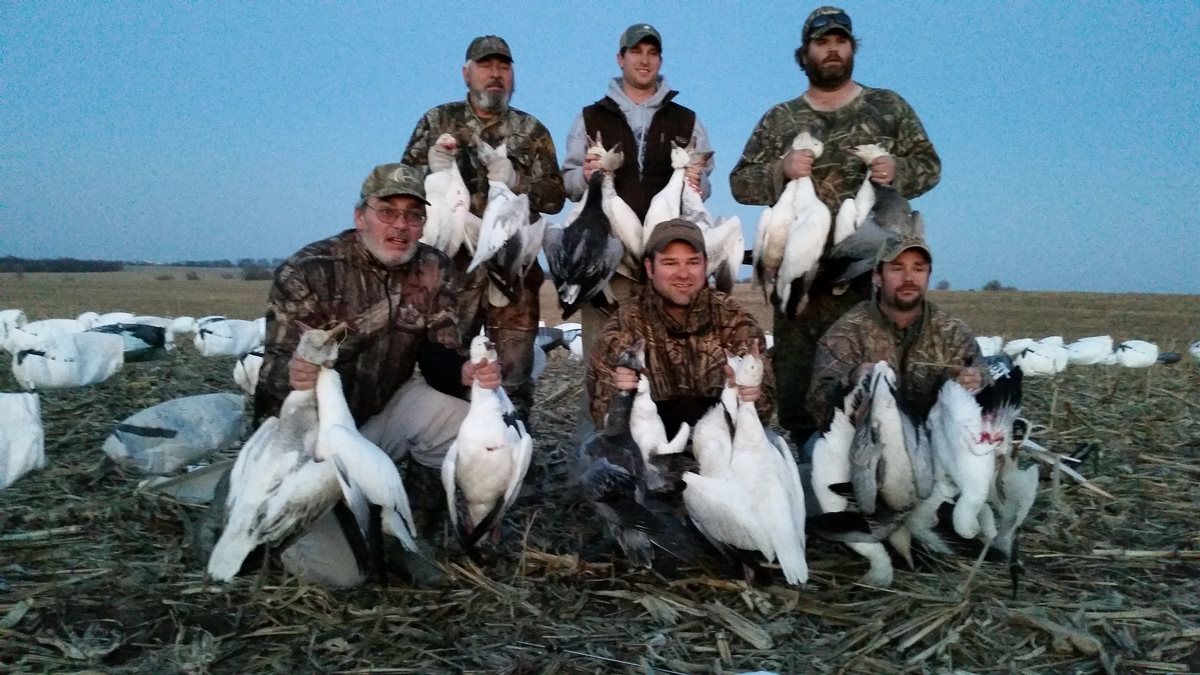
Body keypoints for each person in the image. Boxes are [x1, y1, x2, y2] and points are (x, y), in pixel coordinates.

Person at [250, 164, 502, 587]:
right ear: (359, 216)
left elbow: (437, 350)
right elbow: (275, 382)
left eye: (413, 214)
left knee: (470, 427)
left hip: (381, 411)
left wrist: (463, 370)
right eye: (387, 211)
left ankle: (410, 530)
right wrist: (297, 374)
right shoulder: (310, 270)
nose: (400, 225)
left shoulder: (432, 267)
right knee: (342, 576)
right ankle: (246, 499)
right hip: (310, 438)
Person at [729, 6, 942, 446]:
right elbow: (740, 182)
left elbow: (930, 167)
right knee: (799, 388)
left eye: (840, 41)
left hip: (872, 284)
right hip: (801, 285)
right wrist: (780, 170)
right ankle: (810, 475)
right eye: (821, 42)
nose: (832, 50)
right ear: (804, 53)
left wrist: (896, 168)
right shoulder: (780, 119)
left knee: (874, 387)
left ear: (852, 48)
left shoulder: (888, 107)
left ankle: (874, 473)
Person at [401, 35, 566, 423]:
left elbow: (556, 197)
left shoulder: (532, 130)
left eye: (504, 67)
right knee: (448, 369)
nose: (495, 74)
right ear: (466, 73)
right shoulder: (437, 121)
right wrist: (433, 168)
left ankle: (513, 462)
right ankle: (446, 458)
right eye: (486, 65)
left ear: (513, 76)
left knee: (513, 376)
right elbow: (404, 187)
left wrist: (518, 181)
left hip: (513, 276)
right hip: (449, 276)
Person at [562, 23, 715, 436]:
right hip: (607, 270)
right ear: (621, 59)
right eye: (636, 52)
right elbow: (569, 181)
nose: (644, 60)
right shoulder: (591, 116)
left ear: (660, 61)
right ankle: (593, 465)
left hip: (666, 267)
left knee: (662, 368)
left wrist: (699, 183)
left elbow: (704, 186)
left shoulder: (686, 120)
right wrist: (587, 176)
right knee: (605, 367)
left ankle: (659, 461)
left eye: (652, 53)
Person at [587, 219, 773, 435]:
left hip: (721, 444)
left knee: (766, 442)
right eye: (670, 263)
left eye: (693, 262)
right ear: (650, 268)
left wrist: (750, 396)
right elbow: (602, 416)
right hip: (649, 446)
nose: (683, 274)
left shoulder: (734, 320)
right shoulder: (624, 325)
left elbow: (765, 408)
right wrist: (619, 390)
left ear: (705, 264)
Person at [807, 235, 987, 426]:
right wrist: (851, 379)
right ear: (877, 276)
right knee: (815, 448)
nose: (908, 278)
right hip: (864, 443)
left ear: (928, 276)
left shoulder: (953, 332)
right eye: (897, 268)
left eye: (918, 269)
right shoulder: (847, 333)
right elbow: (817, 406)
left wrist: (977, 381)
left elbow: (984, 378)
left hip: (934, 440)